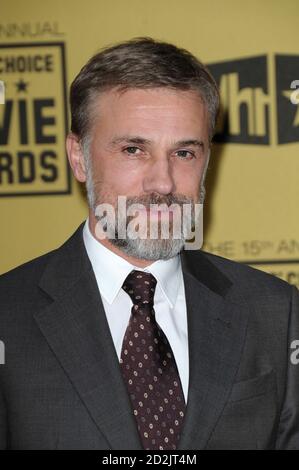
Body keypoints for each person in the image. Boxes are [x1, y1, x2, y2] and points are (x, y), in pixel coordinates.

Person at [0, 37, 298, 450]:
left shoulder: (275, 312)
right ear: (79, 157)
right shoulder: (6, 315)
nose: (163, 183)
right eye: (134, 149)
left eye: (185, 153)